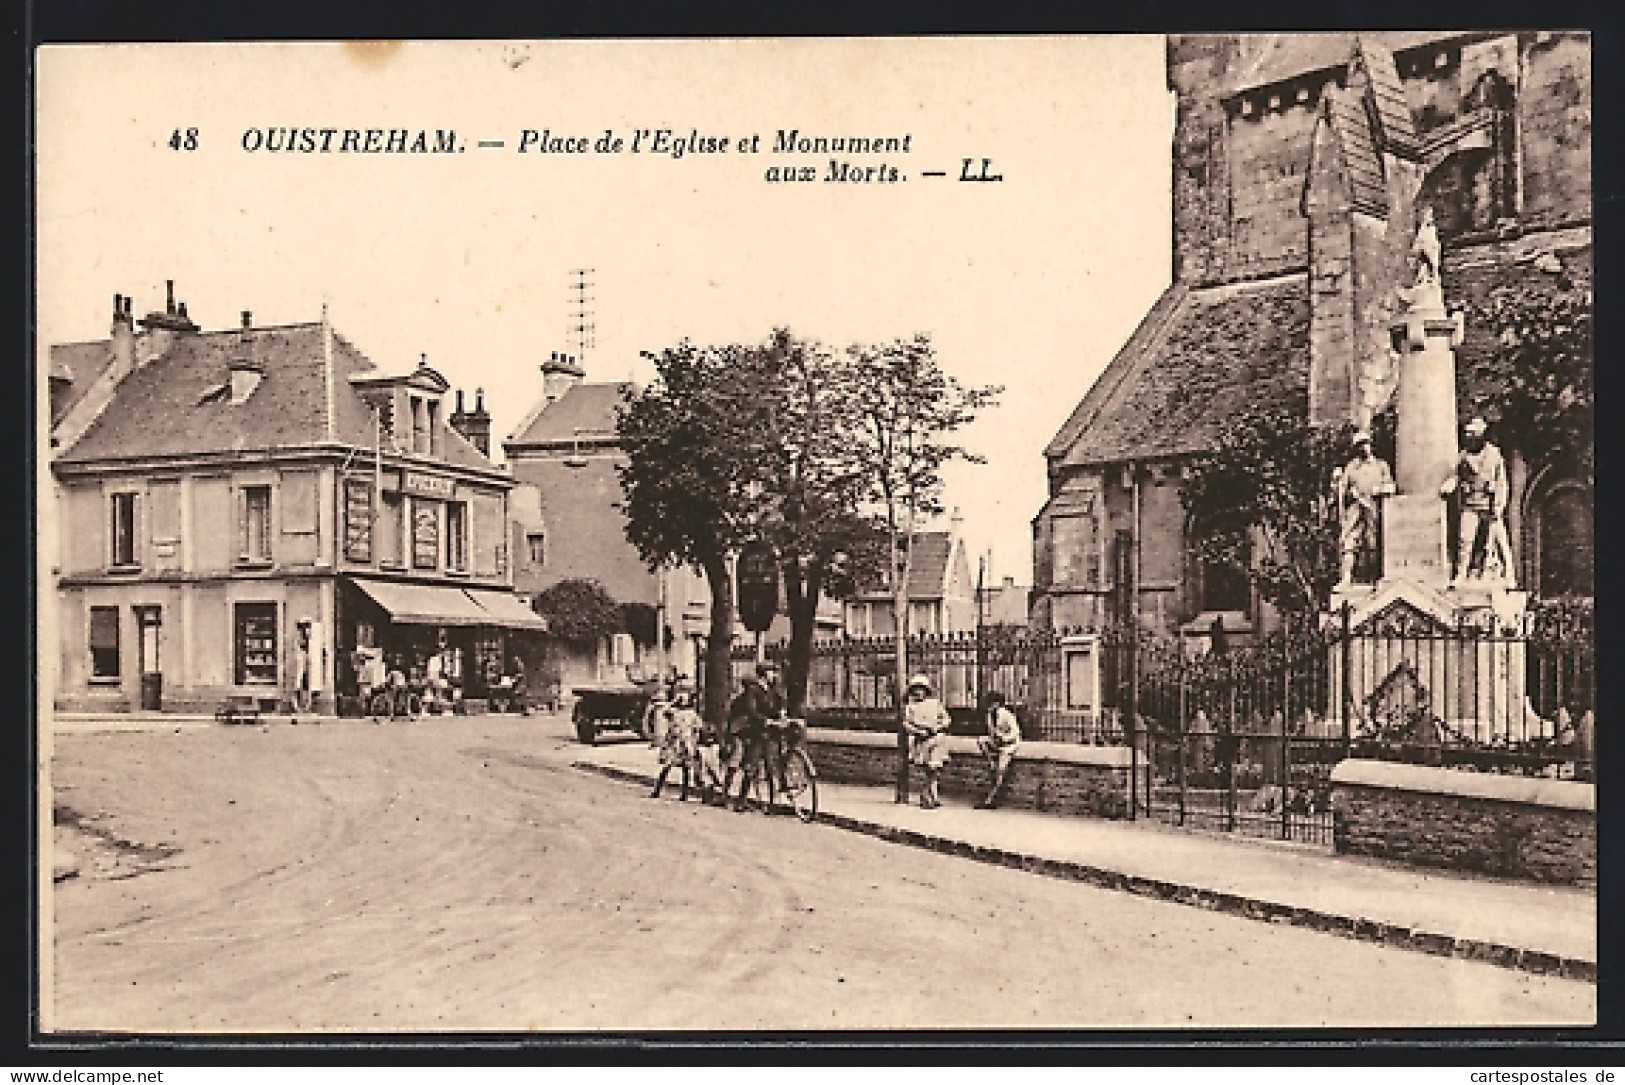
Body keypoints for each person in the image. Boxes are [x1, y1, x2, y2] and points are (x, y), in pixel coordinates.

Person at [1441, 417, 1512, 583]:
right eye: (1467, 434)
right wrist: (1449, 485)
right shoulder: (1464, 456)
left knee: (1496, 543)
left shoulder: (1494, 455)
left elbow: (1501, 481)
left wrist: (1499, 506)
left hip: (1490, 505)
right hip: (1471, 504)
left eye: (1472, 434)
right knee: (1465, 540)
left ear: (1481, 436)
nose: (1469, 438)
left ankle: (1508, 576)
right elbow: (1456, 475)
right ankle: (1461, 573)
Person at [1333, 429, 1395, 586]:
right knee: (1349, 542)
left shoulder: (1381, 466)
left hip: (1374, 508)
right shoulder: (1351, 467)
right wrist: (1348, 492)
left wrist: (1379, 490)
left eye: (1366, 443)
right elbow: (1342, 490)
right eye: (1360, 445)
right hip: (1355, 509)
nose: (1363, 448)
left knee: (1373, 543)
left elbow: (1391, 486)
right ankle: (1346, 577)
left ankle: (1374, 578)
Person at [724, 663, 784, 812]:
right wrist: (765, 720)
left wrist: (782, 715)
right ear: (764, 674)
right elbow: (751, 710)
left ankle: (772, 803)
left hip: (769, 731)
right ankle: (741, 800)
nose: (774, 675)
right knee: (751, 765)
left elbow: (777, 706)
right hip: (754, 731)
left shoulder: (772, 691)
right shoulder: (754, 690)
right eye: (772, 672)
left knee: (770, 766)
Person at [903, 675, 952, 809]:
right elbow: (907, 725)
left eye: (921, 689)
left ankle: (926, 795)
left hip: (936, 739)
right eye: (915, 689)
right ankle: (931, 796)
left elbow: (947, 719)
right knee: (928, 770)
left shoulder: (935, 704)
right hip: (922, 741)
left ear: (926, 691)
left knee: (934, 768)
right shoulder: (910, 707)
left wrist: (939, 726)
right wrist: (918, 731)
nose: (918, 692)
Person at [650, 680, 703, 801]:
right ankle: (658, 789)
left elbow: (698, 729)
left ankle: (684, 793)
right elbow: (666, 712)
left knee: (685, 768)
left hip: (685, 742)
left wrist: (695, 741)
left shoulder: (691, 714)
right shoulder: (675, 712)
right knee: (668, 766)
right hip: (675, 741)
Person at [975, 690, 1022, 809]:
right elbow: (990, 732)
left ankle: (991, 800)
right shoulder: (989, 716)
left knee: (1000, 771)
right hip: (997, 743)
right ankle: (991, 762)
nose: (989, 706)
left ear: (997, 704)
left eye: (991, 704)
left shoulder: (1006, 714)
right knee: (981, 741)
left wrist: (1004, 738)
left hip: (1008, 745)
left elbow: (1016, 732)